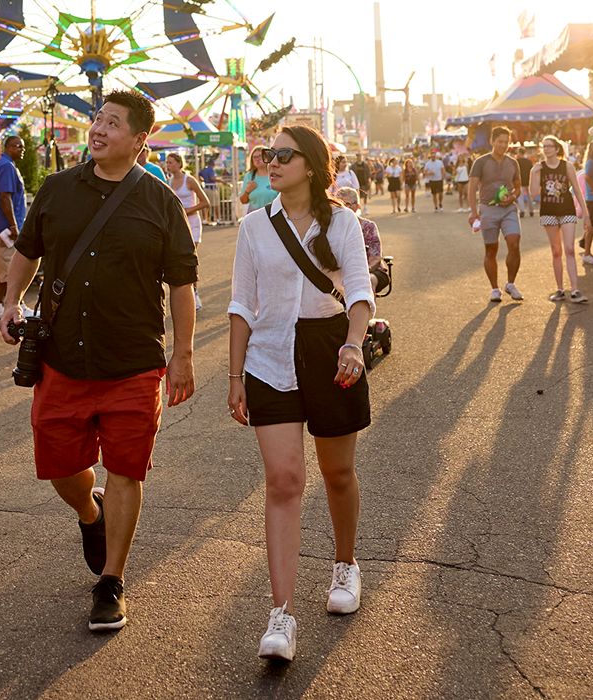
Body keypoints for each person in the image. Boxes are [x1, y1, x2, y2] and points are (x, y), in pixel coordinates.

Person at [0, 90, 198, 633]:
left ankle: (111, 581)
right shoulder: (59, 189)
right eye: (97, 119)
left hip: (134, 360)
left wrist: (183, 355)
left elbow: (182, 283)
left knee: (127, 470)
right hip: (62, 358)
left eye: (112, 123)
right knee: (61, 466)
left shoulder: (160, 202)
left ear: (139, 139)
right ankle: (92, 513)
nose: (99, 129)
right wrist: (12, 300)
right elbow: (28, 250)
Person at [227, 125, 374, 663]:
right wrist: (235, 375)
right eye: (267, 154)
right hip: (268, 356)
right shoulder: (252, 228)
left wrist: (354, 345)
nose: (270, 161)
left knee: (336, 473)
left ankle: (345, 565)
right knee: (284, 480)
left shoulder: (343, 223)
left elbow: (359, 292)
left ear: (310, 164)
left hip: (330, 349)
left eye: (282, 154)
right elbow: (242, 304)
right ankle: (281, 614)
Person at [530, 135, 590, 302]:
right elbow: (534, 193)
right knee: (556, 251)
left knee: (569, 249)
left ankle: (575, 290)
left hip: (567, 211)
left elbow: (577, 191)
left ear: (557, 149)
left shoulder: (567, 166)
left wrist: (586, 215)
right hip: (548, 212)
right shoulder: (539, 168)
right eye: (544, 146)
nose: (546, 149)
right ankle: (560, 289)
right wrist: (533, 174)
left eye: (550, 146)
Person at [468, 126, 523, 302]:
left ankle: (511, 284)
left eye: (506, 142)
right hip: (487, 208)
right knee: (491, 249)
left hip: (508, 209)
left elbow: (519, 187)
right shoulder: (481, 162)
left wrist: (513, 196)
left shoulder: (513, 162)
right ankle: (495, 288)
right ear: (492, 142)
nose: (503, 145)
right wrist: (473, 212)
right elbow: (471, 189)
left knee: (514, 244)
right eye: (500, 141)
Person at [0, 134, 27, 322]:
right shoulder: (7, 167)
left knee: (1, 268)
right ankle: (16, 306)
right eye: (19, 146)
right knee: (11, 268)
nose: (22, 150)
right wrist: (14, 225)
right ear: (8, 147)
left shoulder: (3, 164)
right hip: (3, 227)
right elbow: (5, 198)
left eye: (23, 147)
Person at [166, 152, 210, 310]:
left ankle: (195, 294)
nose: (168, 165)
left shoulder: (189, 180)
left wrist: (187, 210)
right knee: (180, 260)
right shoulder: (169, 181)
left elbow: (205, 202)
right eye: (167, 162)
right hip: (178, 225)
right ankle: (187, 293)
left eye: (170, 162)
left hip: (192, 223)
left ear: (179, 163)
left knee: (190, 258)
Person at [337, 187, 389, 293]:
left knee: (366, 281)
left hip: (370, 270)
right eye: (339, 204)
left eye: (347, 204)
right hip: (340, 272)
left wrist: (360, 273)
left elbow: (375, 259)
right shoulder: (329, 227)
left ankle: (367, 310)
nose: (343, 208)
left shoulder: (368, 227)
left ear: (357, 207)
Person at [240, 146, 278, 214]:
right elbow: (243, 201)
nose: (257, 159)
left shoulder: (275, 174)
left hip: (272, 215)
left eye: (260, 156)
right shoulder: (250, 176)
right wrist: (247, 191)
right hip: (254, 217)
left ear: (267, 157)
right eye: (254, 157)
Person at [198, 159, 221, 224]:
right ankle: (217, 219)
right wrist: (221, 181)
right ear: (213, 164)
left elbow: (198, 174)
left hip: (205, 188)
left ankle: (204, 219)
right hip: (211, 188)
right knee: (216, 204)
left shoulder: (204, 169)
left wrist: (202, 180)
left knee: (205, 205)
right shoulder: (211, 170)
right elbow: (212, 178)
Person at [516, 147, 535, 218]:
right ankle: (531, 210)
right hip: (528, 180)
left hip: (520, 180)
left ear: (519, 153)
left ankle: (522, 211)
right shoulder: (529, 161)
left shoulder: (517, 161)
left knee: (520, 197)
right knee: (529, 196)